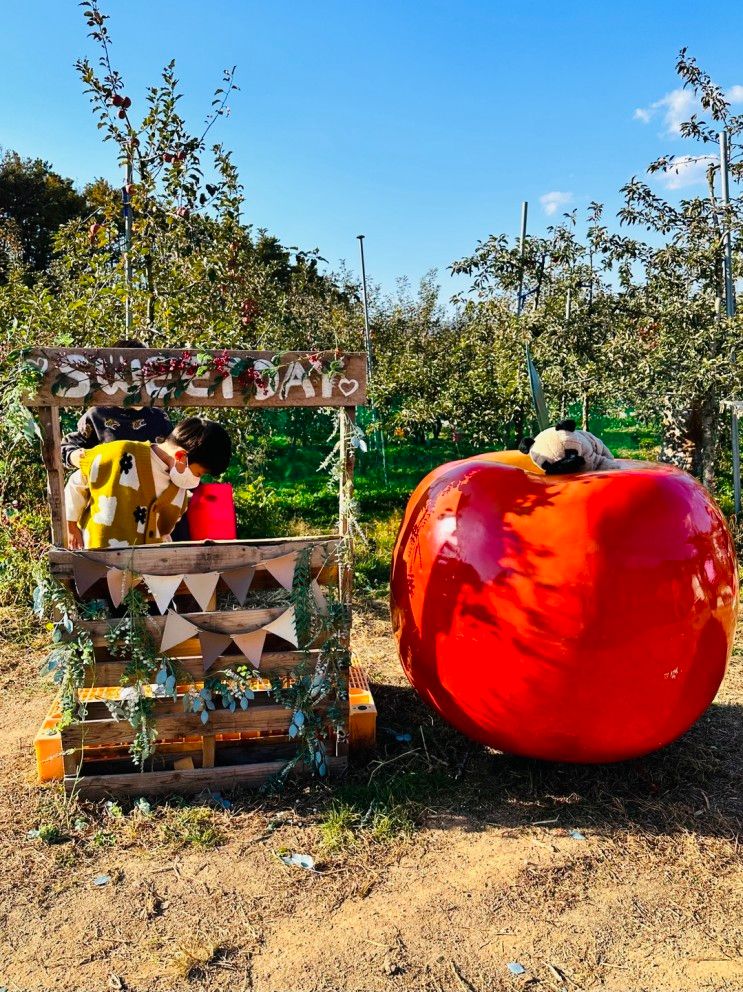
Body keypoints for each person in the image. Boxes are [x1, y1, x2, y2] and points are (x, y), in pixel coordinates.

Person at [64, 417, 232, 550]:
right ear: (181, 456)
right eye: (198, 474)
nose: (196, 481)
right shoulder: (120, 453)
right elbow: (77, 483)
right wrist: (70, 525)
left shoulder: (179, 485)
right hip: (102, 556)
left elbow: (164, 529)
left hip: (150, 566)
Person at [60, 338, 174, 470]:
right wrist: (75, 456)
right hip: (108, 488)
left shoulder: (158, 417)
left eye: (138, 373)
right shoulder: (98, 415)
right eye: (123, 373)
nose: (131, 379)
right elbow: (69, 446)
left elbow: (174, 451)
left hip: (151, 488)